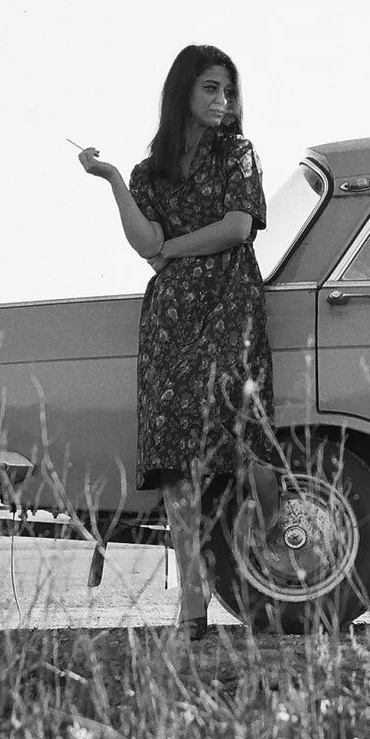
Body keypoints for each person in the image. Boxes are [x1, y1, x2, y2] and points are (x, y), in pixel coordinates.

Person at [77, 44, 279, 639]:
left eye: (228, 91)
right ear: (183, 94)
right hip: (170, 319)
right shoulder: (148, 172)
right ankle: (193, 611)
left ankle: (267, 501)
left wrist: (173, 249)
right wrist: (112, 179)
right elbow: (145, 242)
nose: (223, 101)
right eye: (210, 89)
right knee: (176, 467)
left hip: (228, 304)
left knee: (239, 438)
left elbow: (238, 229)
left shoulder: (237, 153)